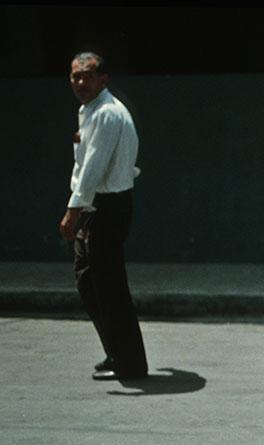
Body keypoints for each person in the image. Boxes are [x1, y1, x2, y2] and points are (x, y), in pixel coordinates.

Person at [59, 52, 148, 381]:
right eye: (75, 77)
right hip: (96, 208)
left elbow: (93, 169)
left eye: (88, 76)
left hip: (106, 207)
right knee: (88, 281)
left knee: (109, 289)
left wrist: (73, 209)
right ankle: (115, 351)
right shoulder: (90, 111)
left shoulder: (108, 114)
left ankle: (130, 364)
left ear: (103, 79)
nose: (81, 83)